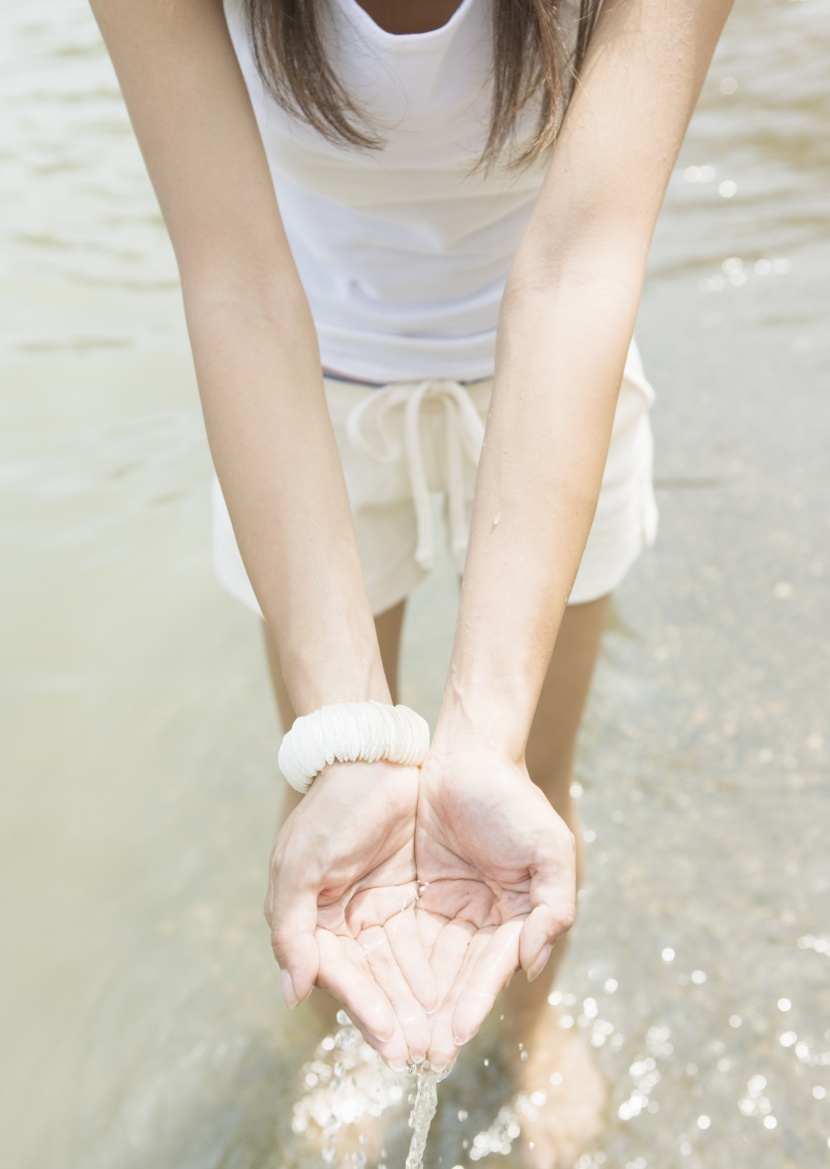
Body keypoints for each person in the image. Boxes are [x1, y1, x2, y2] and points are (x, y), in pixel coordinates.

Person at [90, 0, 734, 1162]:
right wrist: (349, 730)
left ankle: (532, 1027)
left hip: (554, 373)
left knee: (530, 769)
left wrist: (478, 736)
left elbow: (579, 259)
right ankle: (343, 1052)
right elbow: (235, 272)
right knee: (337, 778)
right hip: (300, 374)